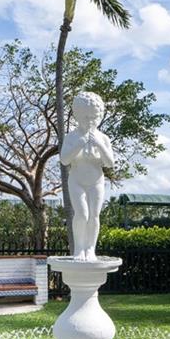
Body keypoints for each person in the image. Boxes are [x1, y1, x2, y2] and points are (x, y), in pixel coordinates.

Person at [58, 91, 113, 261]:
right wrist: (80, 144)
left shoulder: (103, 138)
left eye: (93, 117)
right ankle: (79, 249)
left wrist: (100, 146)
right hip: (77, 180)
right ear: (78, 115)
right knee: (81, 214)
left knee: (94, 215)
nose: (90, 121)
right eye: (86, 117)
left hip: (96, 181)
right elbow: (64, 159)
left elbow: (109, 163)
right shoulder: (72, 137)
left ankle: (90, 249)